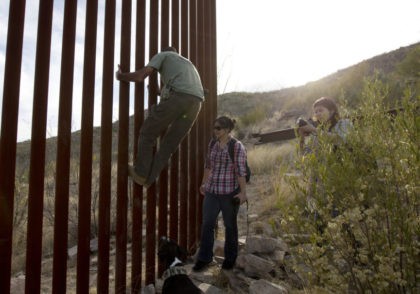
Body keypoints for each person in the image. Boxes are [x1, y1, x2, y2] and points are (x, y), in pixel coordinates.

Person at [116, 47, 204, 187]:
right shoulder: (187, 64)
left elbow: (140, 76)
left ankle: (141, 173)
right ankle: (148, 179)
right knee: (168, 145)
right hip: (196, 103)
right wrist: (157, 92)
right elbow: (179, 92)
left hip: (180, 98)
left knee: (147, 132)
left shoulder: (163, 55)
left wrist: (121, 76)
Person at [193, 116, 248, 271]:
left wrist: (243, 193)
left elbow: (241, 171)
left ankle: (230, 259)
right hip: (212, 191)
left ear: (227, 130)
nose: (215, 130)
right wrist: (204, 183)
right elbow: (208, 165)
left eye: (218, 128)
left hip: (229, 192)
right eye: (214, 127)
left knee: (230, 226)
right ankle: (204, 258)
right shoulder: (213, 144)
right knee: (207, 224)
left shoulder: (237, 146)